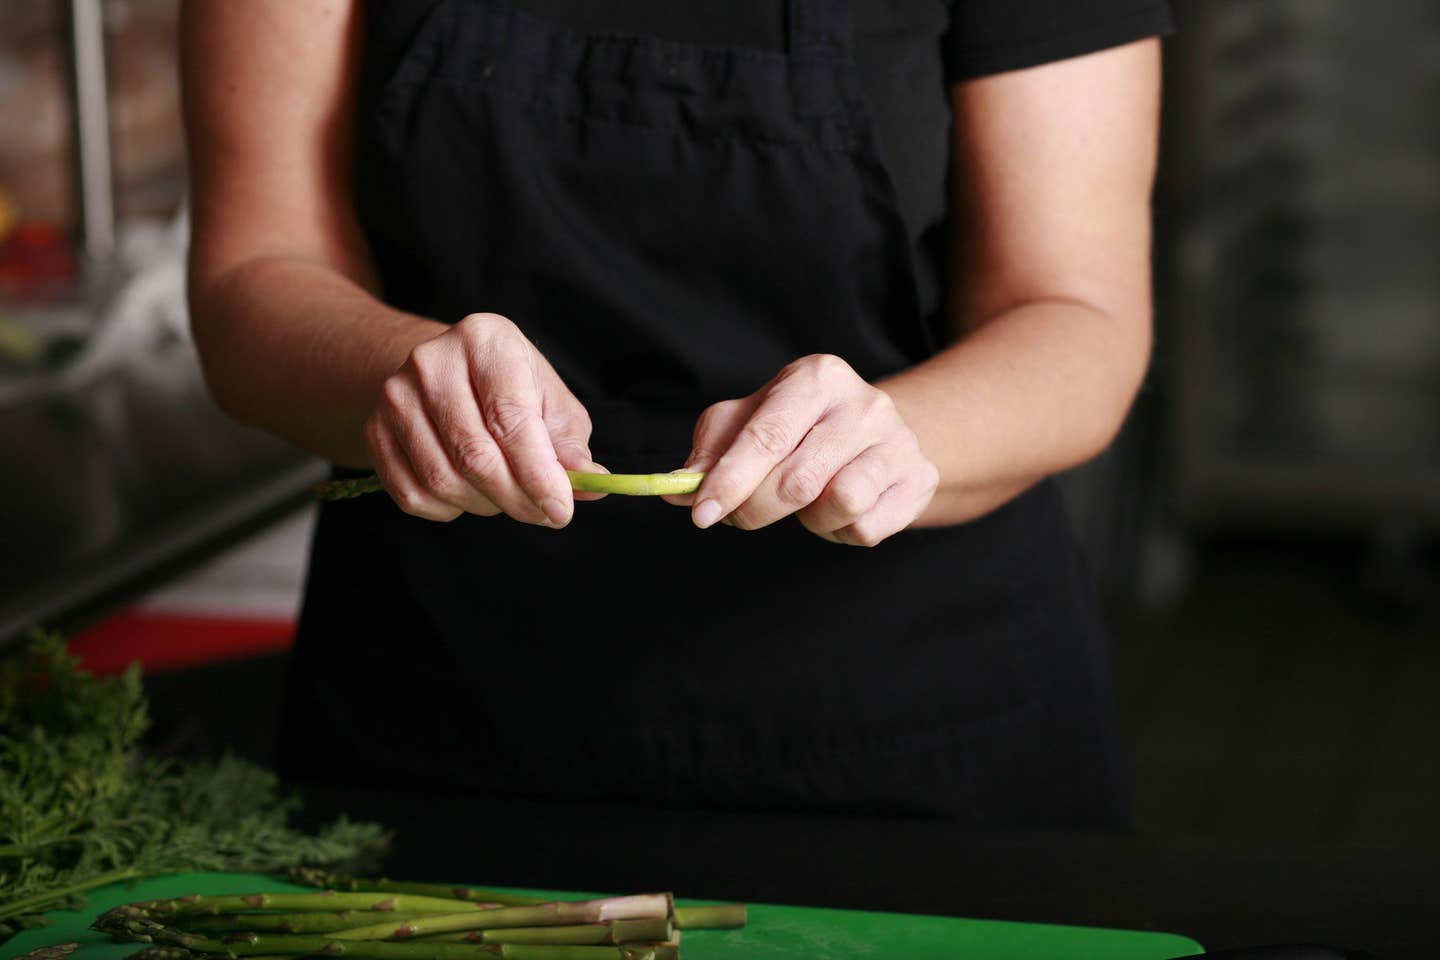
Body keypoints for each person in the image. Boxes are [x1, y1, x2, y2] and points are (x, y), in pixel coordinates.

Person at [181, 0, 1171, 826]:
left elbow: (1076, 314)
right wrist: (393, 371)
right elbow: (254, 271)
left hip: (919, 735)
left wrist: (900, 436)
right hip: (435, 723)